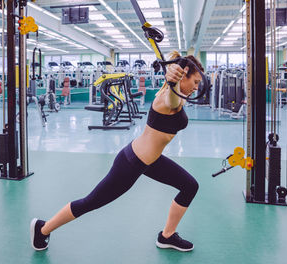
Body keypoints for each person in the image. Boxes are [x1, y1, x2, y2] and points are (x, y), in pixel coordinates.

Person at [30, 51, 204, 252]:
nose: (197, 87)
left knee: (190, 186)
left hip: (151, 161)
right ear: (185, 76)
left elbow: (177, 99)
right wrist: (173, 83)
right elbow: (171, 102)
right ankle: (43, 229)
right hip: (132, 163)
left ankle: (167, 236)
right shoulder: (167, 98)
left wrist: (174, 76)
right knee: (91, 202)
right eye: (196, 82)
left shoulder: (179, 95)